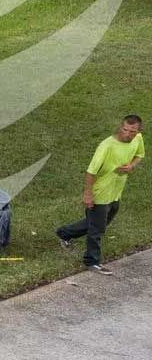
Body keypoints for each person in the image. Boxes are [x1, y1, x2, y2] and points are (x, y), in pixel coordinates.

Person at [57, 113, 144, 273]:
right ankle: (92, 261)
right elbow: (91, 172)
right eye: (125, 129)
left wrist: (131, 166)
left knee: (99, 223)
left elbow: (139, 155)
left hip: (116, 191)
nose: (127, 134)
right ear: (121, 127)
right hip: (100, 192)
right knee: (97, 229)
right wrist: (88, 194)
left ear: (138, 132)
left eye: (132, 131)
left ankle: (64, 233)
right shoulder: (107, 146)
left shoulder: (138, 139)